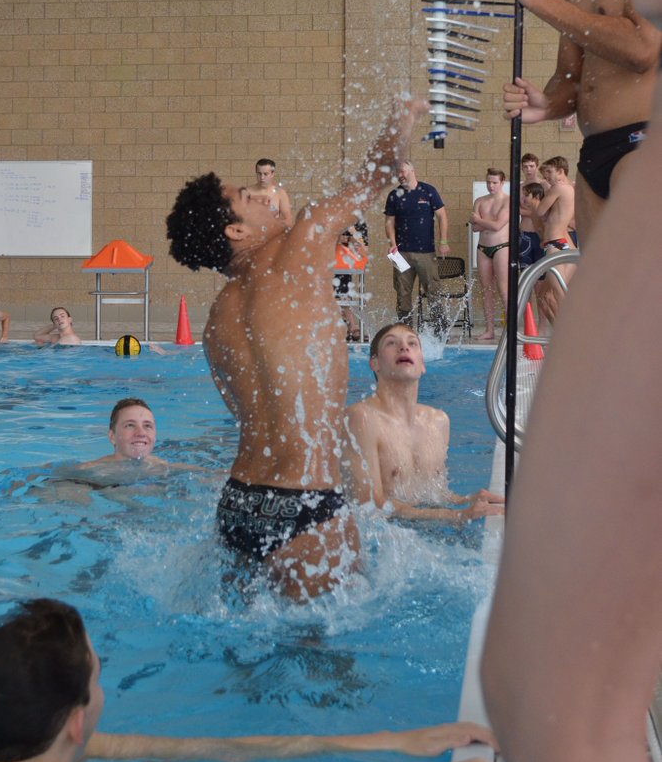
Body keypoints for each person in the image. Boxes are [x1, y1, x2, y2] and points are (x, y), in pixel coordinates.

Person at [484, 0, 662, 762]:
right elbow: (572, 81)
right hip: (600, 148)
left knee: (543, 688)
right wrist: (533, 98)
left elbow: (644, 51)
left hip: (643, 140)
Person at [166, 96, 425, 600]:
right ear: (235, 231)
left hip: (239, 505)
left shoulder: (216, 323)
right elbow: (377, 175)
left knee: (248, 665)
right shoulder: (301, 243)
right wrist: (404, 115)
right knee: (331, 670)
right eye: (249, 196)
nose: (268, 198)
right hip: (308, 506)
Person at [0, 597, 497, 762]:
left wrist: (389, 741)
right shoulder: (71, 741)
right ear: (79, 721)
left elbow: (206, 747)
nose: (104, 688)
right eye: (98, 679)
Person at [502, 0, 661, 246]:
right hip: (594, 153)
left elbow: (644, 48)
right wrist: (547, 105)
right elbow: (570, 78)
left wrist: (543, 1)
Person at [342, 324, 504, 524]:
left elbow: (434, 495)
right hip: (387, 537)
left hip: (426, 528)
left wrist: (467, 500)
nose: (404, 347)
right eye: (391, 343)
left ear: (422, 364)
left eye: (412, 343)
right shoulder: (361, 418)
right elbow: (369, 504)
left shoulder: (438, 421)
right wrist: (454, 516)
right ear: (374, 363)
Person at [384, 159, 450, 333]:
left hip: (425, 253)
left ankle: (439, 331)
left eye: (403, 171)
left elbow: (442, 216)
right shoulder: (394, 195)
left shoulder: (428, 191)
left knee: (433, 291)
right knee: (402, 293)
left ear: (412, 170)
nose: (400, 175)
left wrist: (444, 241)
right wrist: (392, 243)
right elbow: (389, 222)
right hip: (401, 253)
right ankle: (406, 331)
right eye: (397, 173)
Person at [469, 168, 511, 342]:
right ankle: (489, 330)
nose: (491, 186)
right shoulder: (479, 201)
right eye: (488, 182)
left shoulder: (508, 201)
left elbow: (498, 226)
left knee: (504, 289)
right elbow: (475, 228)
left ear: (502, 183)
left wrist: (479, 220)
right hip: (483, 248)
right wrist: (483, 223)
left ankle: (510, 330)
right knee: (486, 290)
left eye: (494, 183)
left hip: (502, 247)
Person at [79, 397, 167, 469]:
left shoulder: (167, 470)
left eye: (147, 426)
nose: (141, 433)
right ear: (112, 436)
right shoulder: (89, 472)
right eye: (130, 425)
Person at [333, 222, 369, 342]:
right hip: (329, 260)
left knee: (343, 287)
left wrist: (352, 234)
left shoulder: (358, 222)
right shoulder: (333, 216)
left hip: (344, 263)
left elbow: (364, 249)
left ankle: (350, 325)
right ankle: (351, 326)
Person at [248, 158, 293, 227]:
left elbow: (288, 221)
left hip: (271, 235)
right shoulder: (247, 192)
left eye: (265, 174)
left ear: (272, 174)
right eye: (259, 174)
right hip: (252, 235)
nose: (262, 177)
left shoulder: (280, 193)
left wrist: (270, 225)